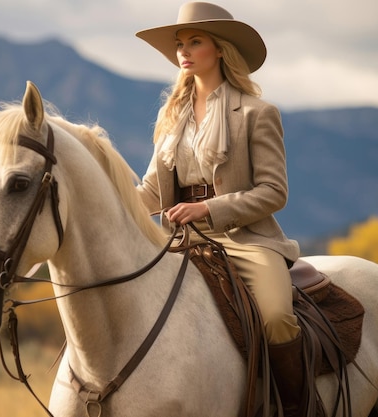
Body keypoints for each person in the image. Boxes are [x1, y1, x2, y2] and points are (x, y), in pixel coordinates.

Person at [135, 2, 308, 416]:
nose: (184, 51)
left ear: (221, 49)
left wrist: (208, 209)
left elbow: (273, 192)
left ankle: (300, 407)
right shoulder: (170, 115)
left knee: (277, 318)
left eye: (195, 41)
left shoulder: (256, 113)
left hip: (246, 240)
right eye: (180, 43)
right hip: (181, 241)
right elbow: (150, 191)